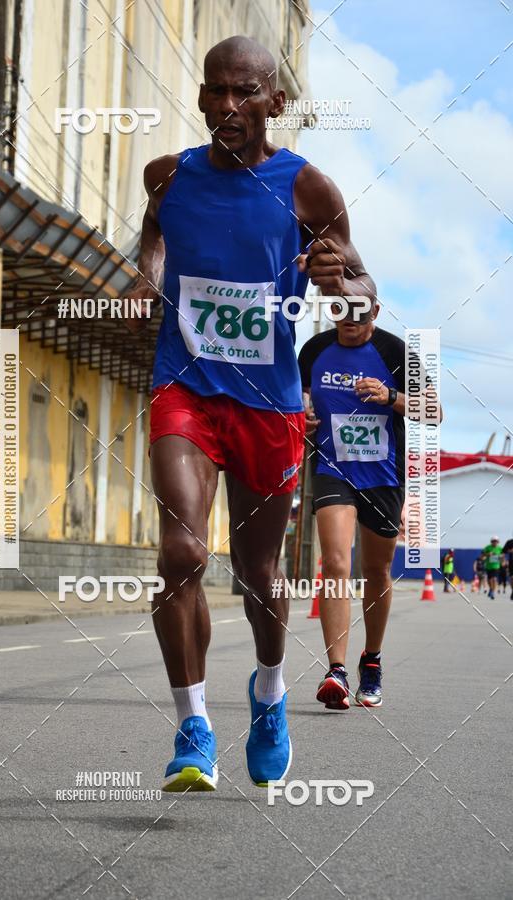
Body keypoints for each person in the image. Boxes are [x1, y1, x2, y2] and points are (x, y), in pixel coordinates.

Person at [127, 36, 375, 790]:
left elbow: (362, 296)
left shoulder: (309, 190)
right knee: (180, 555)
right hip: (186, 389)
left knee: (259, 577)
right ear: (201, 96)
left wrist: (342, 284)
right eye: (214, 91)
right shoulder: (168, 176)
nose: (226, 108)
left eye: (244, 93)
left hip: (267, 403)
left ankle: (268, 693)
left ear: (274, 101)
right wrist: (146, 281)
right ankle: (192, 726)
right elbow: (154, 245)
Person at [298, 303, 442, 709]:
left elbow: (435, 412)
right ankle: (336, 670)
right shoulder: (313, 351)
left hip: (383, 475)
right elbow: (297, 403)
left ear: (374, 310)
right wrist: (302, 419)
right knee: (336, 563)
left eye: (359, 314)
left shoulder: (396, 353)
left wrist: (391, 396)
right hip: (333, 469)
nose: (349, 321)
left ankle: (372, 661)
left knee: (376, 570)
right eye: (340, 310)